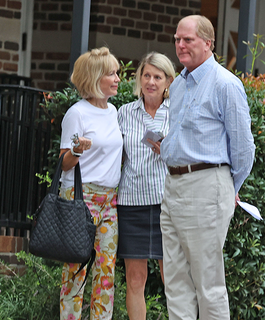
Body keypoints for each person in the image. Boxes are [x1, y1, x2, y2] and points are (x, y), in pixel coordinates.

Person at [152, 15, 256, 319]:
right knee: (174, 281)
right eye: (177, 39)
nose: (180, 45)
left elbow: (244, 148)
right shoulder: (180, 84)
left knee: (207, 283)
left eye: (188, 40)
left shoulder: (225, 84)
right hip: (173, 188)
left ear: (208, 43)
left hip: (206, 187)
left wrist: (226, 188)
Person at [57, 47, 123, 320]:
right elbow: (63, 163)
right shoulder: (77, 113)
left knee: (106, 272)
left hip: (110, 200)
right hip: (79, 197)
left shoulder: (114, 111)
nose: (118, 78)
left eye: (118, 72)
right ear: (96, 78)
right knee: (75, 270)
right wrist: (77, 151)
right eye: (112, 73)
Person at [117, 52, 176, 320]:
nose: (151, 82)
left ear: (168, 82)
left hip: (168, 204)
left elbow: (191, 158)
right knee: (135, 278)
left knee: (172, 279)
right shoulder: (124, 113)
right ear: (139, 78)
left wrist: (169, 150)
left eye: (158, 77)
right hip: (131, 203)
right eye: (147, 75)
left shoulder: (177, 113)